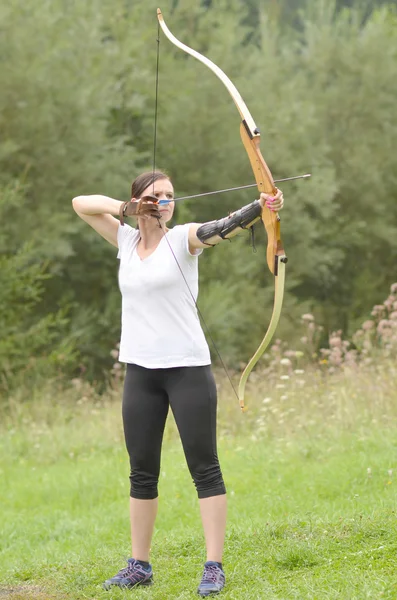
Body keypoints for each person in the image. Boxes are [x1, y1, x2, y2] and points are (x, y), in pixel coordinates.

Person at [72, 171, 284, 596]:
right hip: (140, 373)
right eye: (155, 196)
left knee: (205, 468)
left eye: (170, 195)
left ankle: (213, 566)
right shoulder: (125, 241)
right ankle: (139, 565)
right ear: (138, 200)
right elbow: (80, 202)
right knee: (141, 472)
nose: (165, 201)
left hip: (187, 369)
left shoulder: (184, 238)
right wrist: (124, 209)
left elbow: (221, 228)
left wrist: (261, 207)